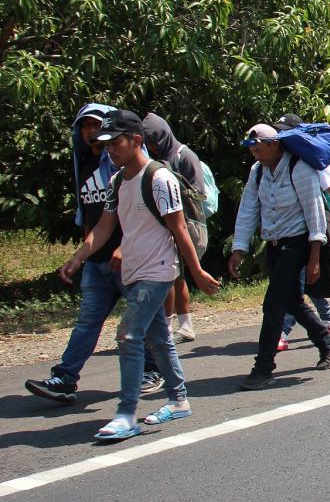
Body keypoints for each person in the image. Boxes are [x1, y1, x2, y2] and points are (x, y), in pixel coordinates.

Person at [58, 110, 220, 439]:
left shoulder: (160, 179)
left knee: (129, 336)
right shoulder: (117, 181)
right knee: (158, 339)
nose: (109, 150)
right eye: (105, 144)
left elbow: (179, 230)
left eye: (115, 143)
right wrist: (77, 259)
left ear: (136, 141)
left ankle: (126, 413)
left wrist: (197, 272)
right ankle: (178, 401)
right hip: (133, 270)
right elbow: (104, 227)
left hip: (157, 272)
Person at [25, 104, 129, 404]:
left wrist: (125, 246)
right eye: (84, 127)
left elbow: (141, 215)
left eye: (96, 125)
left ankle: (155, 373)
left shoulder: (124, 165)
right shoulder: (84, 166)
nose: (91, 132)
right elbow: (93, 220)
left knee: (142, 325)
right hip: (98, 261)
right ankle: (65, 378)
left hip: (131, 259)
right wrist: (79, 257)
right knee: (87, 321)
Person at [229, 124, 330, 389]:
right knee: (291, 300)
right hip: (275, 244)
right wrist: (239, 248)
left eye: (260, 144)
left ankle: (263, 367)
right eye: (252, 146)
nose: (255, 150)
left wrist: (314, 257)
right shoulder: (257, 172)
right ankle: (328, 343)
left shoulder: (299, 168)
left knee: (273, 304)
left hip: (299, 243)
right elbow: (248, 209)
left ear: (276, 144)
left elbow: (315, 214)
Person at [271, 113, 330, 349]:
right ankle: (329, 320)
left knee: (297, 282)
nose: (280, 136)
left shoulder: (311, 159)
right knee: (305, 280)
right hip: (287, 231)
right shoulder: (273, 162)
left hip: (313, 228)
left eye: (283, 132)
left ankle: (282, 331)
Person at [140, 113, 208, 346]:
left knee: (173, 277)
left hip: (186, 223)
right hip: (166, 225)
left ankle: (170, 328)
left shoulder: (185, 156)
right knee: (174, 277)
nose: (149, 146)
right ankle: (179, 326)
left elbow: (199, 192)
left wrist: (170, 180)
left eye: (151, 140)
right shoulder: (158, 158)